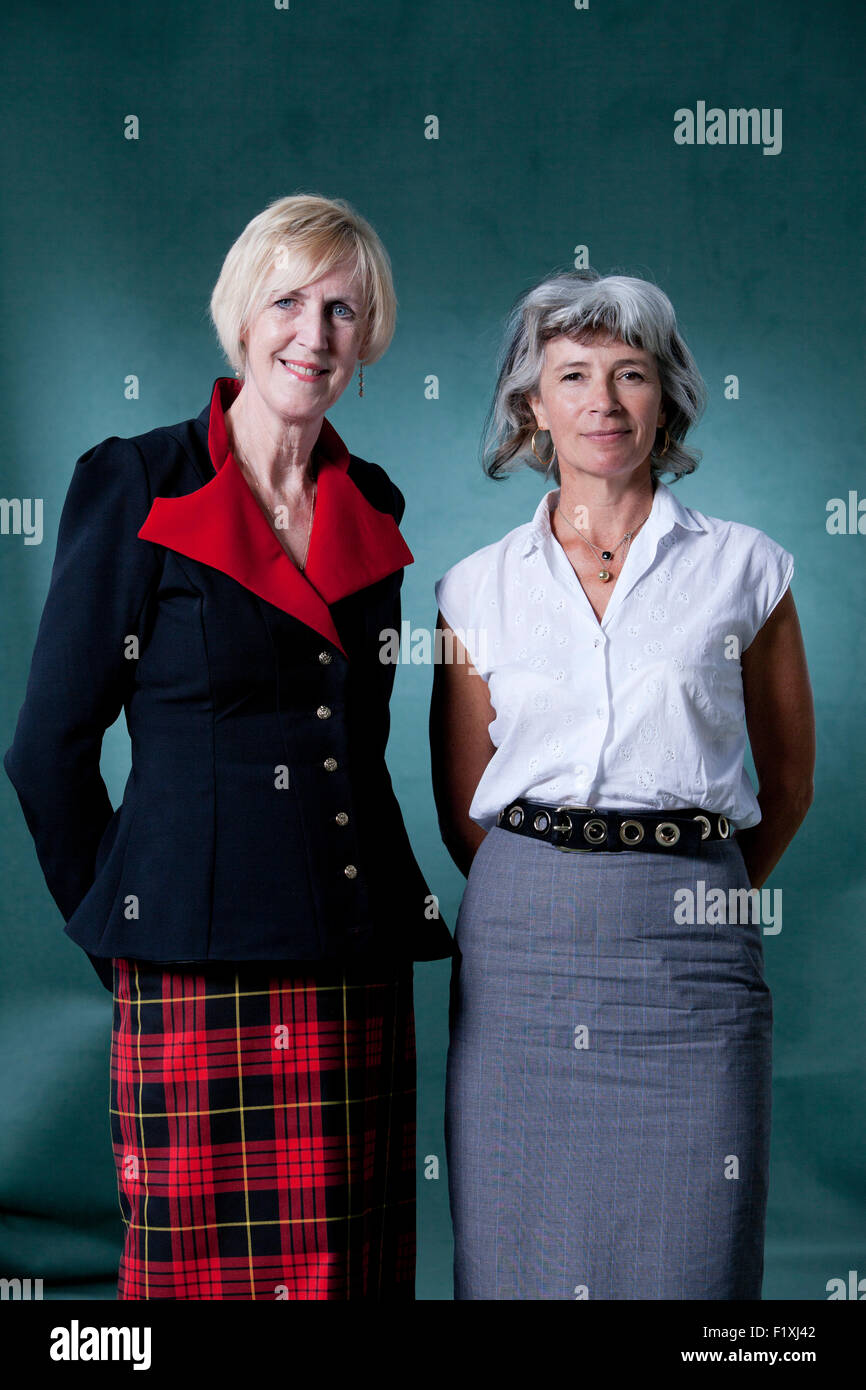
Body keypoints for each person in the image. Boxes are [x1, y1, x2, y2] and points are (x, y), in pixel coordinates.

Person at [4, 192, 453, 1301]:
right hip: (190, 950)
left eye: (343, 310)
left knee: (347, 1267)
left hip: (351, 947)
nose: (314, 334)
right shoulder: (139, 479)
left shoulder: (372, 499)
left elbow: (359, 732)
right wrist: (121, 921)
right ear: (242, 314)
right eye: (288, 301)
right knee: (196, 1271)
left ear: (371, 334)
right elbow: (47, 748)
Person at [430, 269, 814, 1300]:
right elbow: (465, 793)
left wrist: (689, 875)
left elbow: (786, 775)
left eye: (629, 374)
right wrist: (563, 874)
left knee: (694, 1252)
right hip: (520, 950)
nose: (602, 402)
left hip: (690, 941)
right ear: (530, 405)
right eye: (573, 375)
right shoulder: (471, 585)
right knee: (516, 1254)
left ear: (665, 396)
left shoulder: (746, 568)